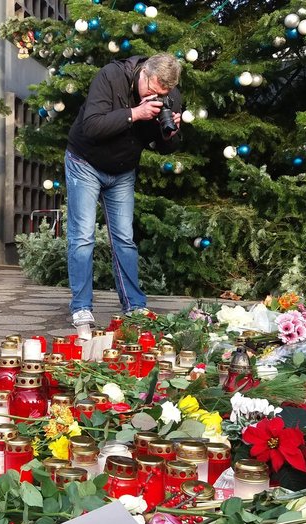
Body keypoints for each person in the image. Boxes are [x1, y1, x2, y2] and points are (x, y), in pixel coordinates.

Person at [65, 53, 183, 329]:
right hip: (85, 161)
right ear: (144, 73)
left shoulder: (170, 93)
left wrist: (171, 132)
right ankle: (81, 308)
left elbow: (167, 147)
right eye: (152, 91)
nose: (156, 97)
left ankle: (135, 305)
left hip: (122, 169)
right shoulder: (111, 76)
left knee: (124, 239)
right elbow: (92, 125)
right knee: (83, 236)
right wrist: (135, 114)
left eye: (163, 94)